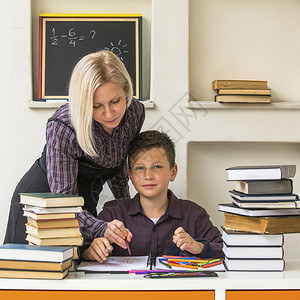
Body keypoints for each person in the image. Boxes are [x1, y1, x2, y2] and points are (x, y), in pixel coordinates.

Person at [5, 50, 145, 244]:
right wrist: (102, 227)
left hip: (84, 204)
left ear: (126, 90)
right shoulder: (64, 127)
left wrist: (126, 210)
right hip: (42, 207)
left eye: (116, 101)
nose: (109, 113)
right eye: (96, 106)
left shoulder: (134, 113)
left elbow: (119, 162)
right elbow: (63, 203)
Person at [77, 130, 223, 263]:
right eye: (140, 168)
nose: (148, 176)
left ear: (173, 172)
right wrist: (89, 251)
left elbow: (224, 249)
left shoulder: (194, 214)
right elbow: (80, 247)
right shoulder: (113, 213)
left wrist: (199, 247)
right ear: (130, 175)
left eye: (157, 167)